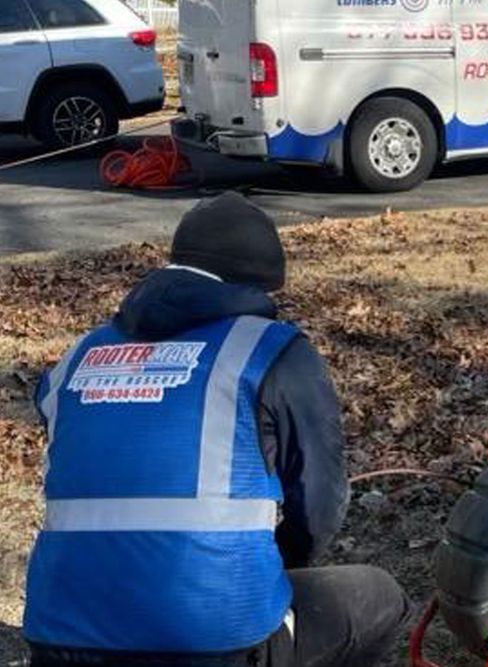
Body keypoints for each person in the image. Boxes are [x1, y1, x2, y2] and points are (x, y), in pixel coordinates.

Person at [23, 192, 411, 667]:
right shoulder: (270, 350)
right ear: (255, 287)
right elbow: (321, 506)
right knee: (381, 597)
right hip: (213, 641)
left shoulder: (78, 356)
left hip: (59, 639)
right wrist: (271, 566)